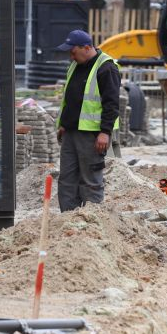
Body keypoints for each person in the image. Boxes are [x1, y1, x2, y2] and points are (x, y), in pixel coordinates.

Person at [56, 30, 121, 211]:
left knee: (91, 180)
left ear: (86, 48)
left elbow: (112, 105)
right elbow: (70, 99)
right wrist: (63, 124)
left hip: (92, 136)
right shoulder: (76, 65)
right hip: (71, 132)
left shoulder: (106, 68)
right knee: (67, 179)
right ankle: (68, 220)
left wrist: (105, 132)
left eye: (73, 51)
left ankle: (92, 222)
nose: (71, 56)